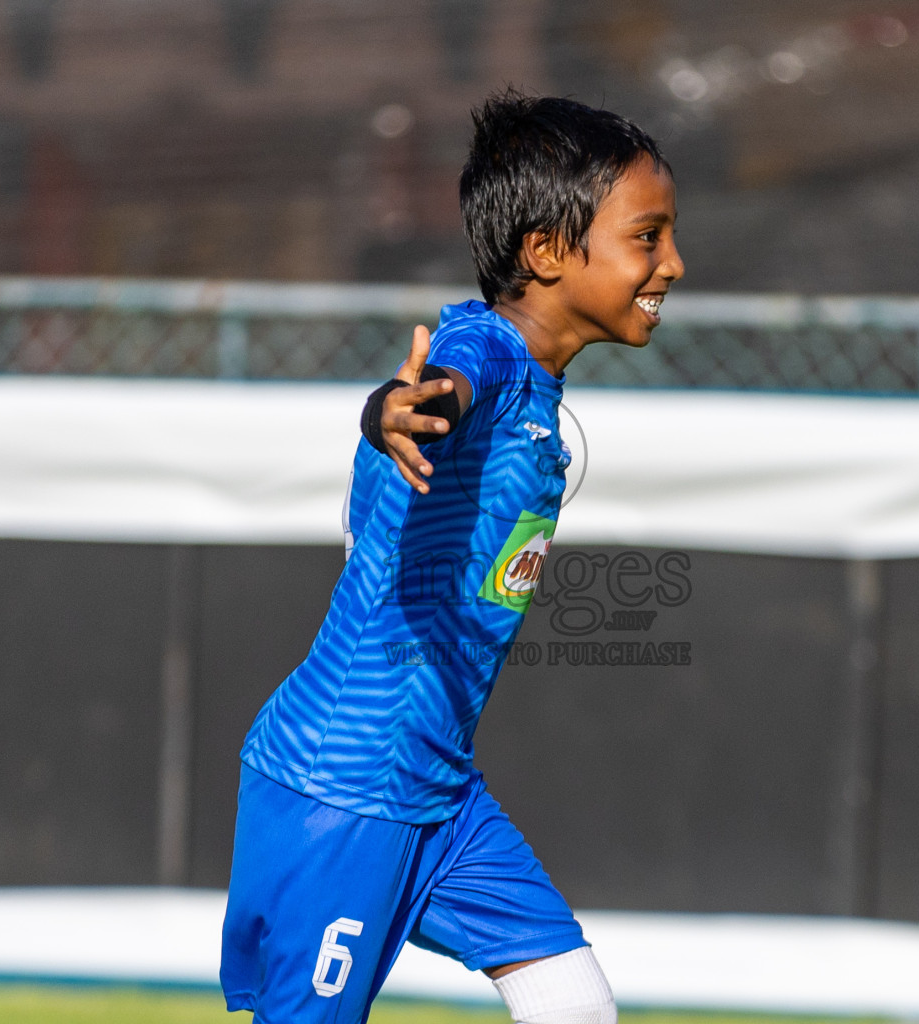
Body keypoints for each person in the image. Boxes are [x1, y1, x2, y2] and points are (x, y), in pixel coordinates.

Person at [221, 90, 683, 1024]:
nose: (672, 264)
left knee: (575, 1006)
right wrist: (406, 405)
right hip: (345, 789)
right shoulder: (494, 355)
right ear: (548, 251)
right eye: (648, 237)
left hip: (435, 791)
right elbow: (449, 380)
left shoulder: (536, 387)